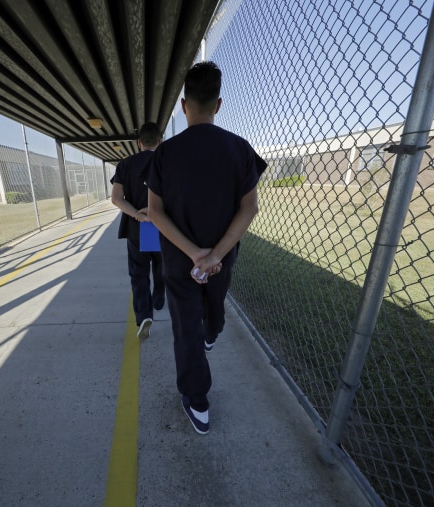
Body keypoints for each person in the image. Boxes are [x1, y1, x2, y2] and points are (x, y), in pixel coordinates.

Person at [147, 61, 266, 435]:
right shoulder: (239, 148)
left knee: (186, 328)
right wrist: (213, 255)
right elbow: (250, 207)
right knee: (214, 308)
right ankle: (212, 332)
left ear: (184, 105)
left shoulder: (164, 154)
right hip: (222, 258)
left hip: (178, 261)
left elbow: (154, 212)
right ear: (218, 104)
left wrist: (192, 253)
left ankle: (198, 403)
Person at [110, 122, 166, 340]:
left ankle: (144, 314)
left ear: (138, 142)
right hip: (162, 227)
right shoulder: (167, 163)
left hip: (138, 228)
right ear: (160, 142)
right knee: (161, 265)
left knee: (139, 273)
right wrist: (154, 213)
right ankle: (159, 298)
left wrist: (138, 215)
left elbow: (116, 199)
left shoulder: (125, 165)